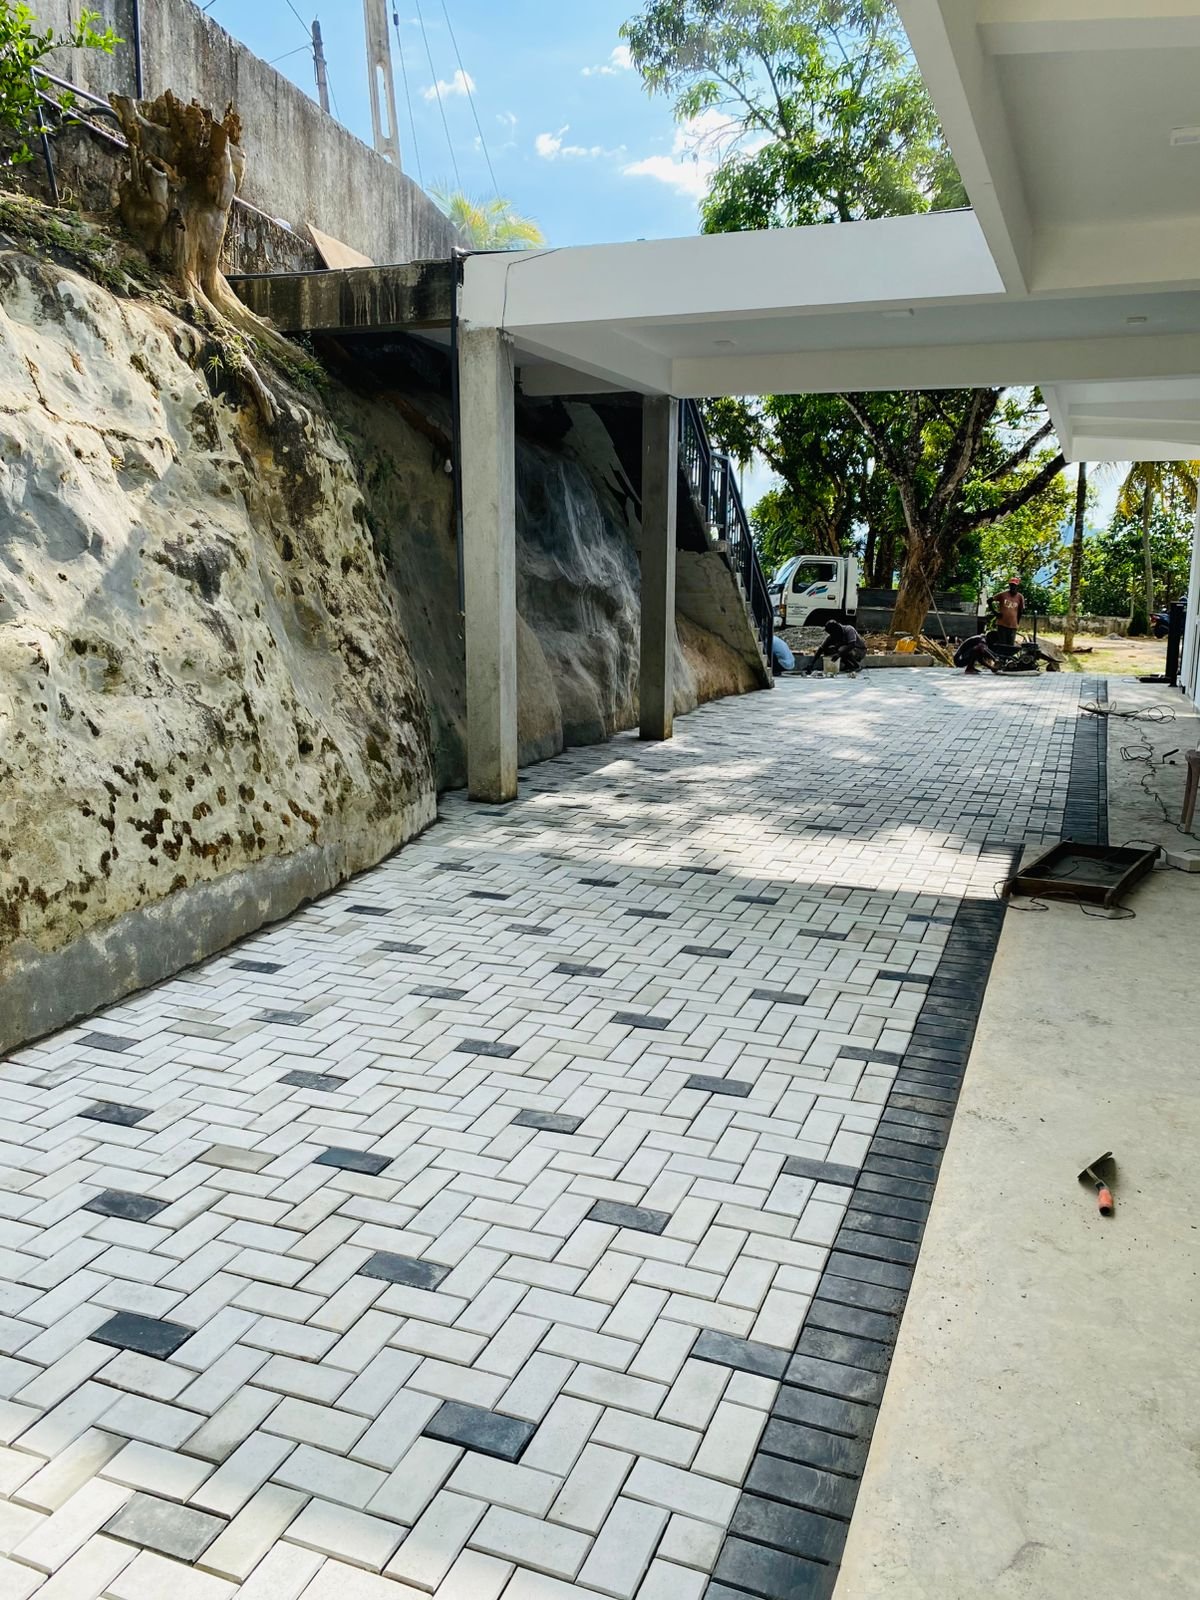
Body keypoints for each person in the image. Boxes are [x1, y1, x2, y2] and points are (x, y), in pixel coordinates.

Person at [989, 578, 1025, 649]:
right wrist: (995, 613)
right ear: (1009, 586)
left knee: (1010, 645)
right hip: (1002, 624)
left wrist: (1017, 622)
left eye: (1014, 586)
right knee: (1002, 644)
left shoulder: (1020, 597)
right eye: (1011, 585)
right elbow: (989, 601)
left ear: (1017, 586)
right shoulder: (1003, 594)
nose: (1013, 587)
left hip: (1013, 625)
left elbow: (1021, 611)